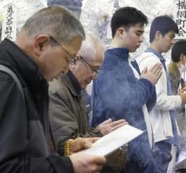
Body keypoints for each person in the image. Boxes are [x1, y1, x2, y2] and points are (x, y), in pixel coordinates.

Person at [0, 6, 106, 173]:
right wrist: (69, 166)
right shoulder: (6, 81)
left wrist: (67, 149)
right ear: (41, 44)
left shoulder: (27, 81)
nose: (67, 68)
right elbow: (7, 167)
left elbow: (27, 152)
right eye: (68, 58)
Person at [90, 7, 164, 173]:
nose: (141, 39)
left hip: (138, 149)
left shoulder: (129, 61)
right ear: (121, 32)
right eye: (138, 33)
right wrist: (145, 84)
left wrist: (149, 85)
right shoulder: (109, 63)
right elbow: (123, 105)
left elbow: (143, 107)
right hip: (122, 154)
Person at [48, 35, 128, 173]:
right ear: (75, 60)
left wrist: (98, 132)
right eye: (93, 69)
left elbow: (77, 135)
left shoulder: (76, 90)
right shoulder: (56, 91)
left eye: (98, 71)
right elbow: (65, 144)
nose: (95, 76)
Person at [136, 16, 186, 172]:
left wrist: (181, 95)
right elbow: (157, 100)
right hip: (157, 133)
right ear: (158, 35)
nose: (172, 42)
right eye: (170, 36)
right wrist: (180, 99)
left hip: (159, 132)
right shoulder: (152, 61)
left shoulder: (156, 60)